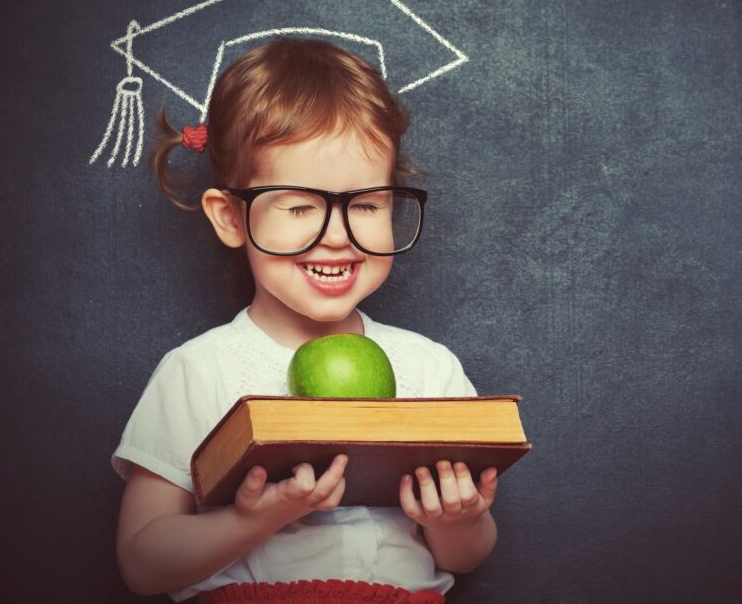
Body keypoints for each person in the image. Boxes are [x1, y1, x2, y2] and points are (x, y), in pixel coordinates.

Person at [111, 38, 499, 602]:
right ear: (230, 218)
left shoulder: (429, 368)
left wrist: (456, 519)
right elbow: (142, 564)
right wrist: (254, 521)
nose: (338, 236)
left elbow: (464, 558)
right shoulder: (197, 371)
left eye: (366, 204)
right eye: (298, 207)